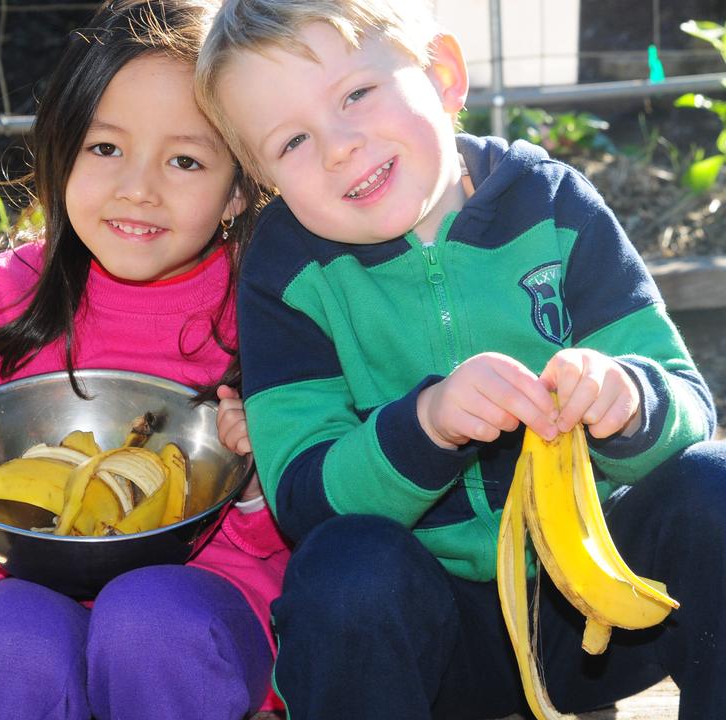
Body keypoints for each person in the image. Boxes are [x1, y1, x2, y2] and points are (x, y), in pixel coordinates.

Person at [191, 0, 726, 718]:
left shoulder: (553, 205)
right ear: (264, 179)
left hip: (604, 601)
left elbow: (690, 407)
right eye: (291, 142)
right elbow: (304, 500)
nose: (339, 146)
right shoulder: (287, 275)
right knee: (345, 572)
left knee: (712, 489)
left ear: (443, 75)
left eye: (356, 94)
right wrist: (425, 425)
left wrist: (627, 398)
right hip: (434, 636)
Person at [0, 1, 289, 717]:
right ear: (62, 148)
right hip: (16, 591)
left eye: (185, 160)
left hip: (203, 604)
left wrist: (257, 475)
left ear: (237, 190)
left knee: (147, 620)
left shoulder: (264, 316)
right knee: (15, 649)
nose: (139, 187)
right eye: (106, 148)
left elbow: (289, 529)